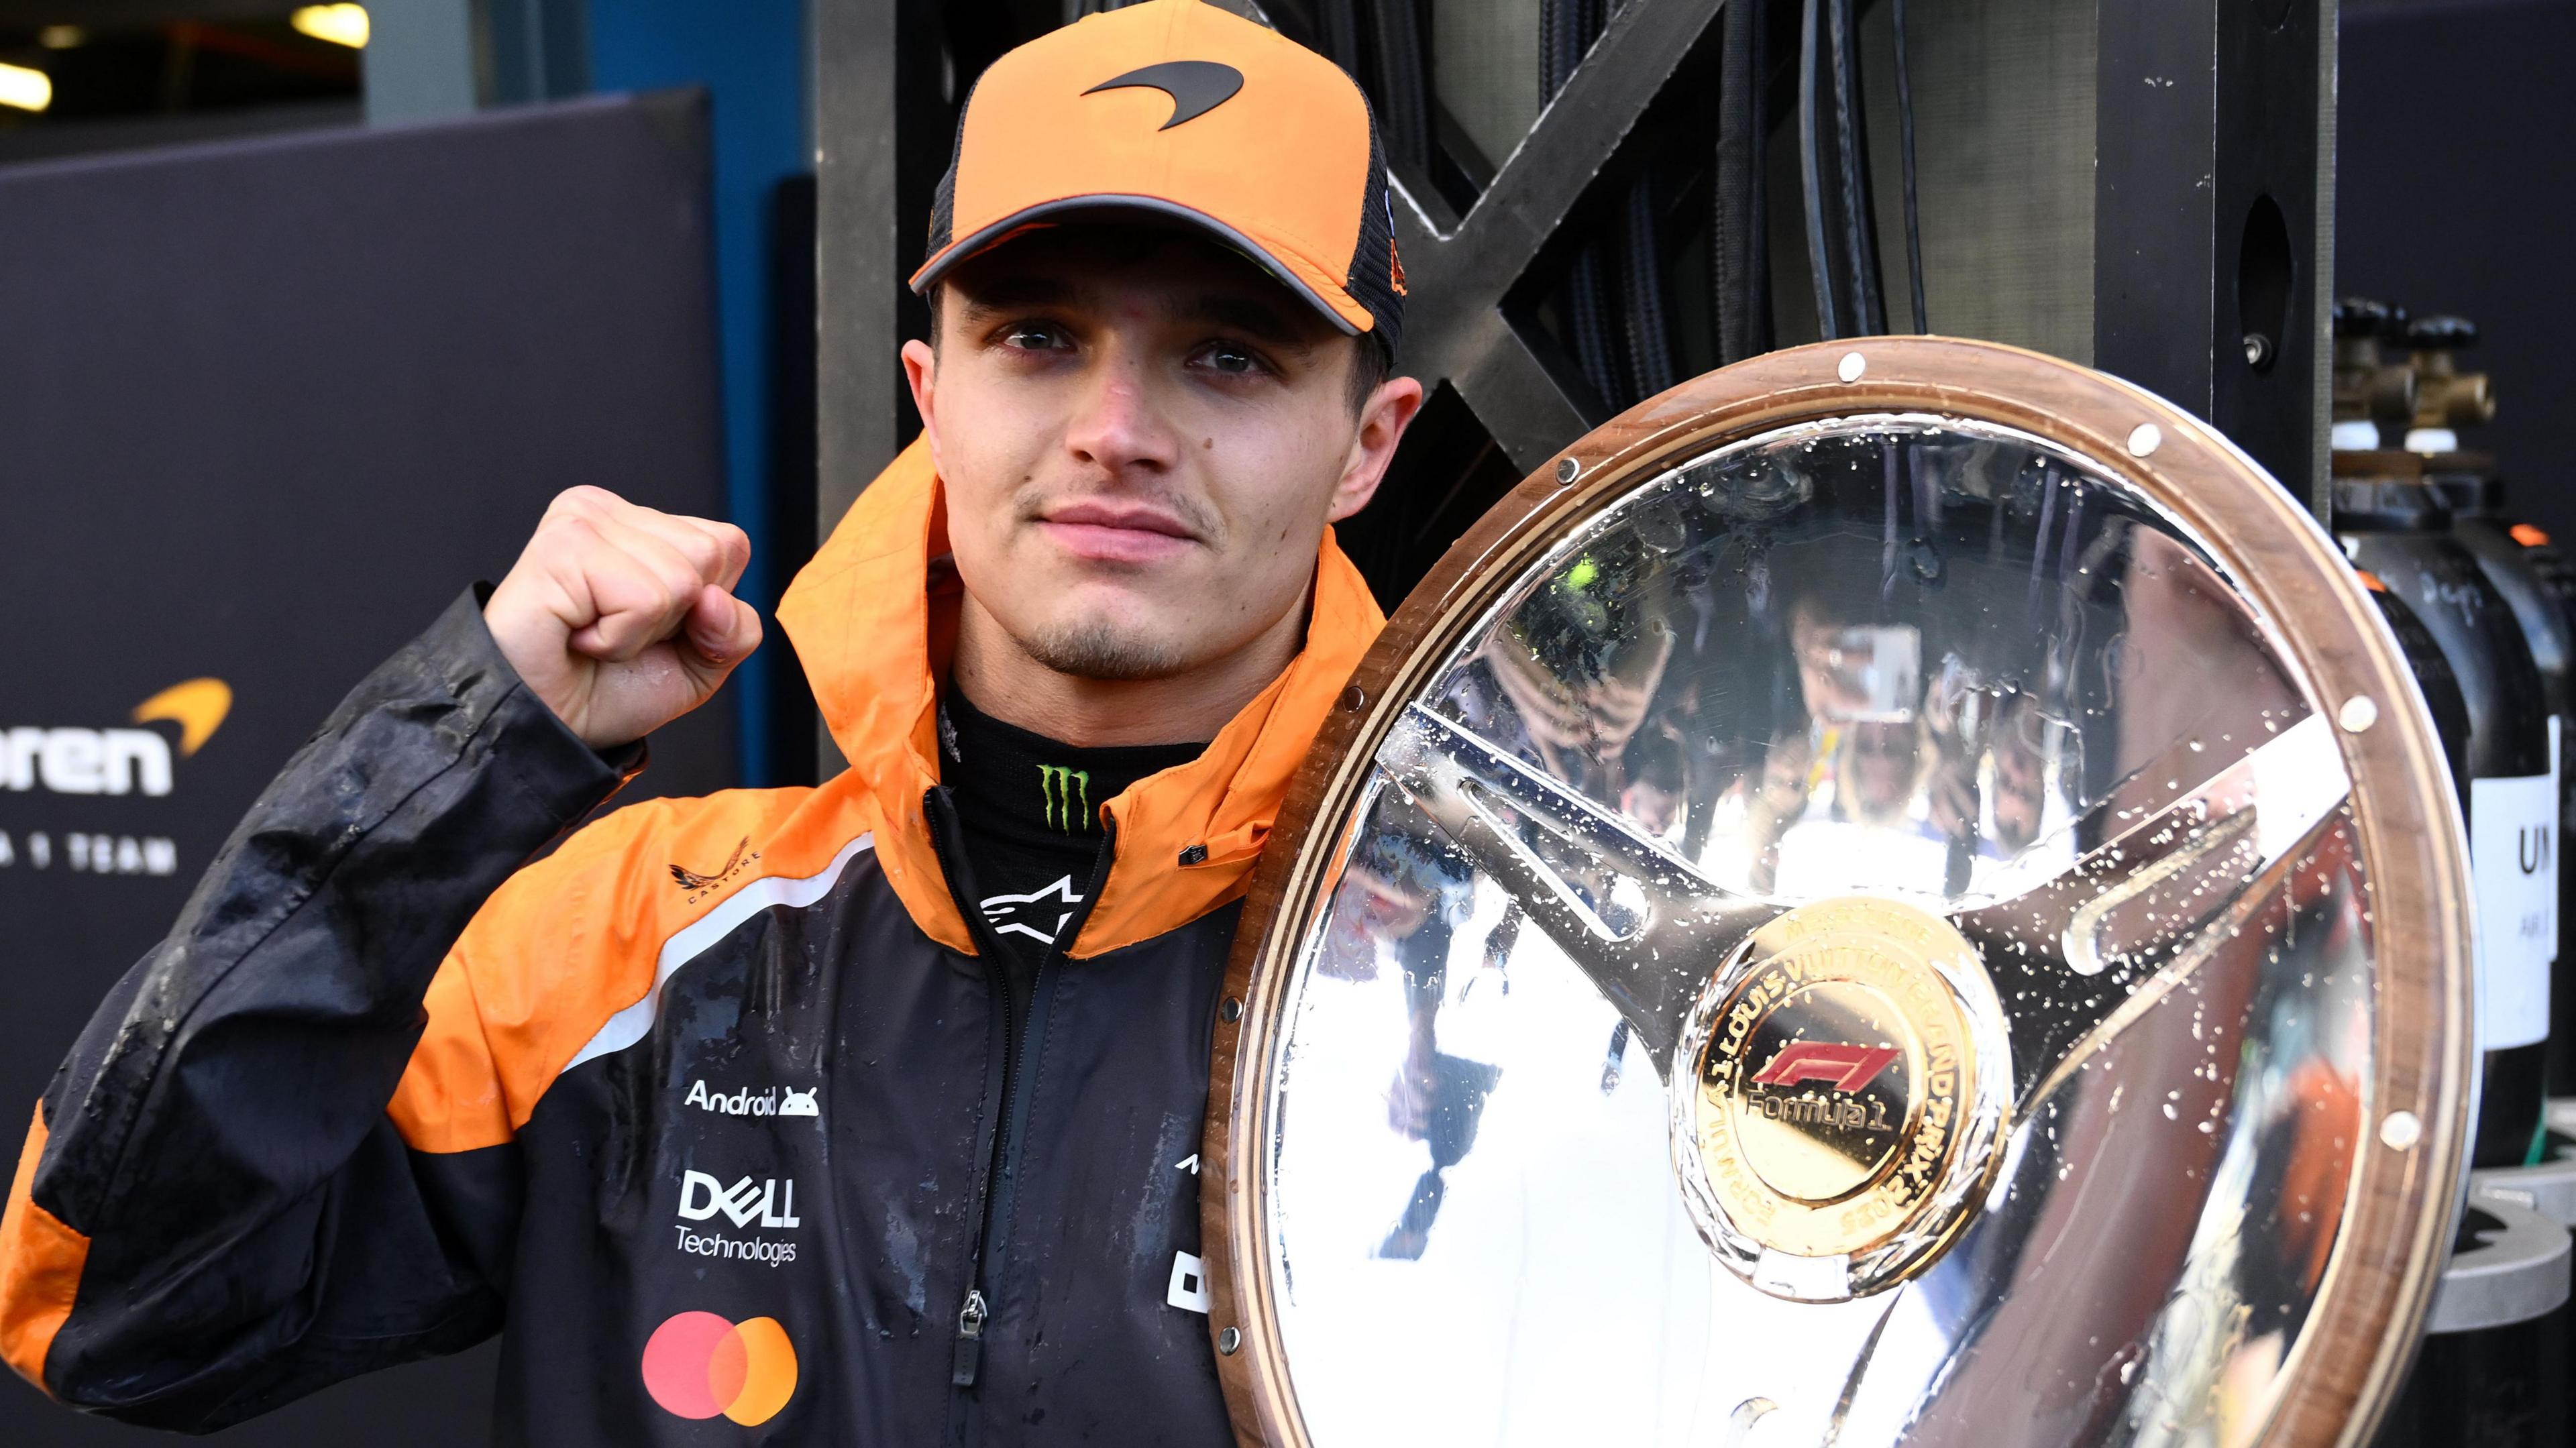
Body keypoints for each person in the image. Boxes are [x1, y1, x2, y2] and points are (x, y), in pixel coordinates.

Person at [0, 3, 1421, 1442]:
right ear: (934, 396)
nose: (1116, 424)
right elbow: (111, 1304)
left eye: (1229, 355)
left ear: (1368, 444)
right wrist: (457, 754)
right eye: (1038, 335)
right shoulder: (626, 942)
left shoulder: (1469, 990)